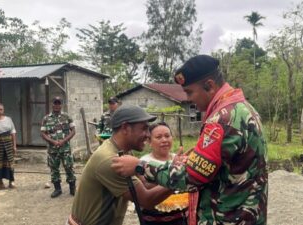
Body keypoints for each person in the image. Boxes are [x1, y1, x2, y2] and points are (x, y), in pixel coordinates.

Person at [111, 55, 268, 225]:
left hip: (229, 218)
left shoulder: (221, 120)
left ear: (209, 85)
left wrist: (139, 166)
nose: (188, 99)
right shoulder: (243, 108)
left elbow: (192, 176)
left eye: (189, 92)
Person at [68, 105, 173, 225]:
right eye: (144, 129)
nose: (148, 135)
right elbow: (146, 200)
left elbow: (145, 184)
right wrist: (179, 179)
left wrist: (171, 169)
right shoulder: (110, 160)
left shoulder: (122, 151)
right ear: (125, 128)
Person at [140, 122, 187, 225]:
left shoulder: (179, 159)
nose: (164, 140)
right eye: (158, 137)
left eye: (167, 136)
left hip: (181, 219)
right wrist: (173, 175)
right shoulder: (144, 163)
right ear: (149, 141)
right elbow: (145, 188)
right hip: (154, 220)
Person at [40, 96, 76, 198]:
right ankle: (57, 189)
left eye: (58, 103)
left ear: (61, 105)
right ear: (52, 104)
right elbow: (43, 133)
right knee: (54, 169)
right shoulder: (46, 118)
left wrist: (64, 141)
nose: (56, 105)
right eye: (55, 103)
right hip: (52, 149)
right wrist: (53, 141)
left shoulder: (67, 117)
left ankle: (72, 188)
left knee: (69, 167)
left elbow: (73, 131)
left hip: (65, 149)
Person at [0, 103, 17, 190]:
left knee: (9, 162)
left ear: (3, 110)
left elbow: (13, 132)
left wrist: (14, 146)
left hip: (8, 144)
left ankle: (11, 182)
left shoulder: (8, 119)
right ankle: (1, 183)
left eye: (1, 109)